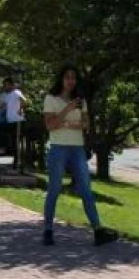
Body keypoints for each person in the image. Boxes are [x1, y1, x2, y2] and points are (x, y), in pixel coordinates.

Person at [42, 64, 118, 247]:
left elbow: (85, 124)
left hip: (77, 148)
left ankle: (98, 230)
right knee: (54, 189)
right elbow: (50, 125)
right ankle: (48, 230)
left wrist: (67, 123)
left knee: (86, 190)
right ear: (61, 79)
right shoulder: (51, 98)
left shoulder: (81, 100)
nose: (71, 81)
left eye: (73, 78)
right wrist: (67, 109)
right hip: (58, 148)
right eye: (67, 77)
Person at [3, 78, 28, 167]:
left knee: (17, 142)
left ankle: (18, 163)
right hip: (10, 121)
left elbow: (24, 100)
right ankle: (16, 162)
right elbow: (3, 106)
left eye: (6, 85)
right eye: (4, 85)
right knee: (13, 142)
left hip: (17, 120)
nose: (4, 87)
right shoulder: (7, 95)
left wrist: (20, 109)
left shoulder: (16, 92)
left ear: (11, 85)